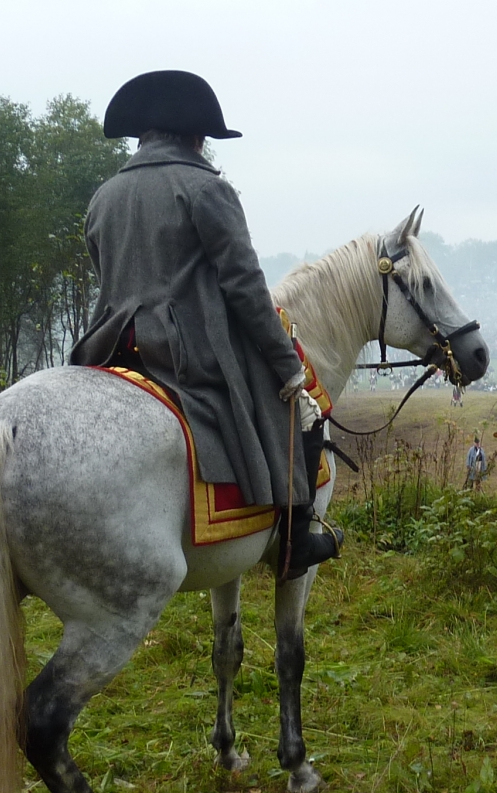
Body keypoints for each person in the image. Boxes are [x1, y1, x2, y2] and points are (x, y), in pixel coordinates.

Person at [69, 70, 341, 579]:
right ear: (196, 137)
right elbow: (243, 285)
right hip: (184, 350)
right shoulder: (207, 188)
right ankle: (295, 543)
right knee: (299, 413)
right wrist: (286, 366)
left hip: (108, 346)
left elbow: (103, 270)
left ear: (143, 135)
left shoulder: (103, 196)